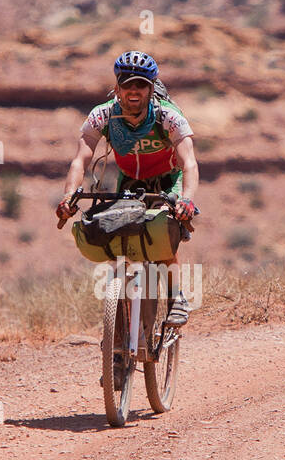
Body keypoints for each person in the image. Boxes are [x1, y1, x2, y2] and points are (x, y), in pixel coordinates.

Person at [56, 50, 200, 326]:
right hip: (131, 181)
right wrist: (68, 196)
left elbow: (190, 163)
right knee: (117, 233)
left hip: (169, 179)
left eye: (141, 84)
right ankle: (118, 337)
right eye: (127, 84)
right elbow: (80, 159)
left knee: (162, 232)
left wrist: (187, 200)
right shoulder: (103, 115)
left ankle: (176, 297)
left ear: (151, 87)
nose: (134, 90)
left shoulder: (167, 116)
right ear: (117, 87)